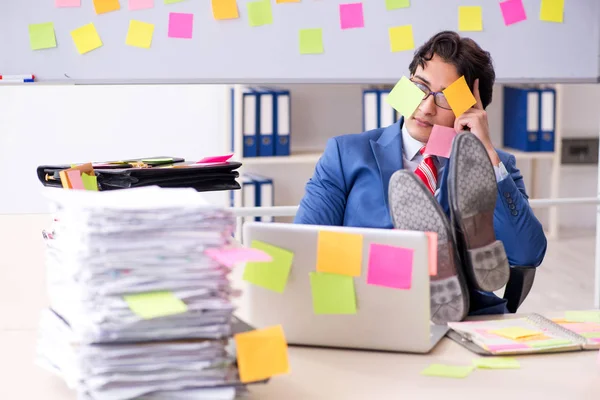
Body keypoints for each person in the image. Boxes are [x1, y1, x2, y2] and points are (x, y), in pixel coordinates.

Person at [294, 30, 547, 322]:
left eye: (445, 99)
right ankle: (430, 261)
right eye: (420, 86)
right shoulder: (347, 152)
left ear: (471, 109)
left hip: (463, 316)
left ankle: (440, 266)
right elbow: (307, 242)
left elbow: (527, 254)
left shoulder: (498, 163)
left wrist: (487, 154)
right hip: (368, 306)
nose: (425, 107)